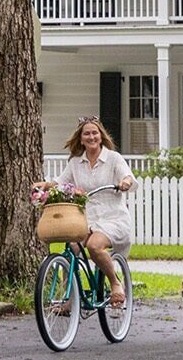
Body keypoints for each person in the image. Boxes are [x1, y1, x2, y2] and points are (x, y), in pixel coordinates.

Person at [35, 116, 135, 305]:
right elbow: (60, 182)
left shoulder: (113, 158)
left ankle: (115, 282)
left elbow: (127, 176)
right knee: (71, 249)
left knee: (94, 246)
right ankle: (71, 298)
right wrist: (45, 186)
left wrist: (124, 183)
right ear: (81, 139)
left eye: (94, 133)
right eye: (86, 133)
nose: (91, 137)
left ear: (101, 136)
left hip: (112, 218)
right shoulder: (75, 163)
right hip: (86, 219)